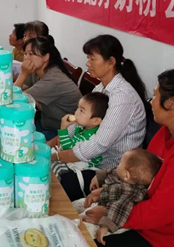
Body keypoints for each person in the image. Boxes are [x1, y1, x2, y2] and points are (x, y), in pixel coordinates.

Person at [85, 64, 174, 247]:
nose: (151, 102)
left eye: (155, 96)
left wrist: (111, 215)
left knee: (87, 244)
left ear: (172, 104)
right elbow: (143, 181)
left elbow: (160, 211)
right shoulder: (167, 133)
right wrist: (109, 191)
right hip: (153, 226)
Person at [54, 35, 147, 201]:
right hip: (91, 158)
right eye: (87, 58)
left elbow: (99, 144)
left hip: (109, 169)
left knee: (57, 182)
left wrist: (58, 156)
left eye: (92, 59)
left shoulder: (122, 97)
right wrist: (52, 145)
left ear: (111, 62)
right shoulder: (101, 88)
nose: (87, 63)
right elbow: (80, 124)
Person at [78, 149, 162, 245]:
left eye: (120, 163)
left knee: (85, 229)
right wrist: (98, 177)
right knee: (78, 205)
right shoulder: (127, 177)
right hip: (103, 204)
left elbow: (118, 208)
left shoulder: (131, 193)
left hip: (113, 219)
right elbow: (113, 172)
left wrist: (105, 226)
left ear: (127, 175)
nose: (118, 164)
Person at [14, 36, 81, 139]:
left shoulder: (53, 80)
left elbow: (15, 98)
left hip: (62, 131)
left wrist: (23, 73)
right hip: (46, 122)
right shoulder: (37, 69)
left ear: (45, 57)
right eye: (25, 54)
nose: (26, 58)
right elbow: (18, 89)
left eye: (31, 54)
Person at [50, 92, 109, 189]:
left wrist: (63, 129)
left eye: (81, 111)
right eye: (78, 108)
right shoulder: (81, 128)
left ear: (95, 121)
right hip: (73, 161)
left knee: (54, 168)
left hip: (84, 168)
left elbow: (68, 151)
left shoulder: (91, 137)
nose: (76, 112)